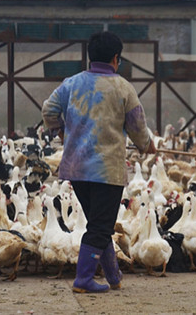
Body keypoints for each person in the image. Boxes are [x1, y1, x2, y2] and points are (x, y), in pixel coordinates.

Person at [41, 31, 156, 293]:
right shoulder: (123, 88)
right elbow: (138, 126)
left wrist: (60, 130)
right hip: (107, 171)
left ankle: (113, 276)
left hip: (77, 168)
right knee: (100, 227)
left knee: (97, 223)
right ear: (116, 58)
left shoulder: (71, 84)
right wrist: (147, 144)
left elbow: (48, 110)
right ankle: (83, 280)